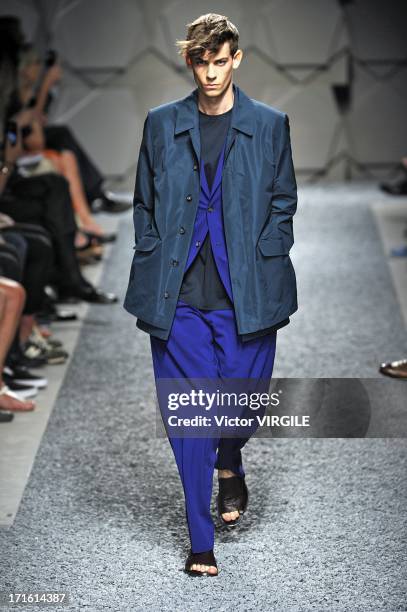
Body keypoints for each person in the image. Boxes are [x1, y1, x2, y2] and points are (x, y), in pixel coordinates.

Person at [123, 13, 298, 576]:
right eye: (201, 62)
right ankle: (201, 542)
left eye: (220, 61)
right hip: (178, 293)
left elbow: (283, 199)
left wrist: (269, 247)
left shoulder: (270, 125)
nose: (211, 73)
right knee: (191, 417)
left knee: (242, 404)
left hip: (247, 290)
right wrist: (150, 248)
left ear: (237, 58)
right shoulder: (161, 123)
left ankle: (231, 461)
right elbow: (144, 199)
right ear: (190, 62)